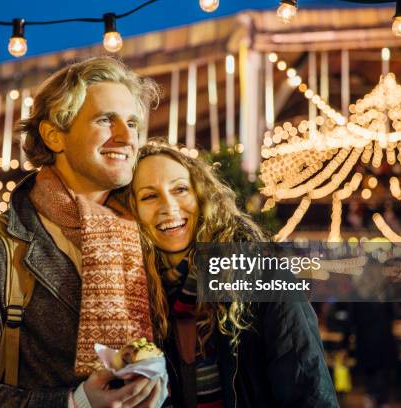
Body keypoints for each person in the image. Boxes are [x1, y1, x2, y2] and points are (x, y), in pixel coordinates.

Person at [0, 57, 163, 407]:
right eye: (105, 120)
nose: (128, 138)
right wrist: (76, 403)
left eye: (132, 123)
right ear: (54, 135)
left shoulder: (148, 234)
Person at [128, 141, 338, 407]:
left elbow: (310, 394)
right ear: (131, 209)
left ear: (201, 195)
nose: (168, 207)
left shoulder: (263, 276)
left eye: (180, 189)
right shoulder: (135, 298)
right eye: (149, 196)